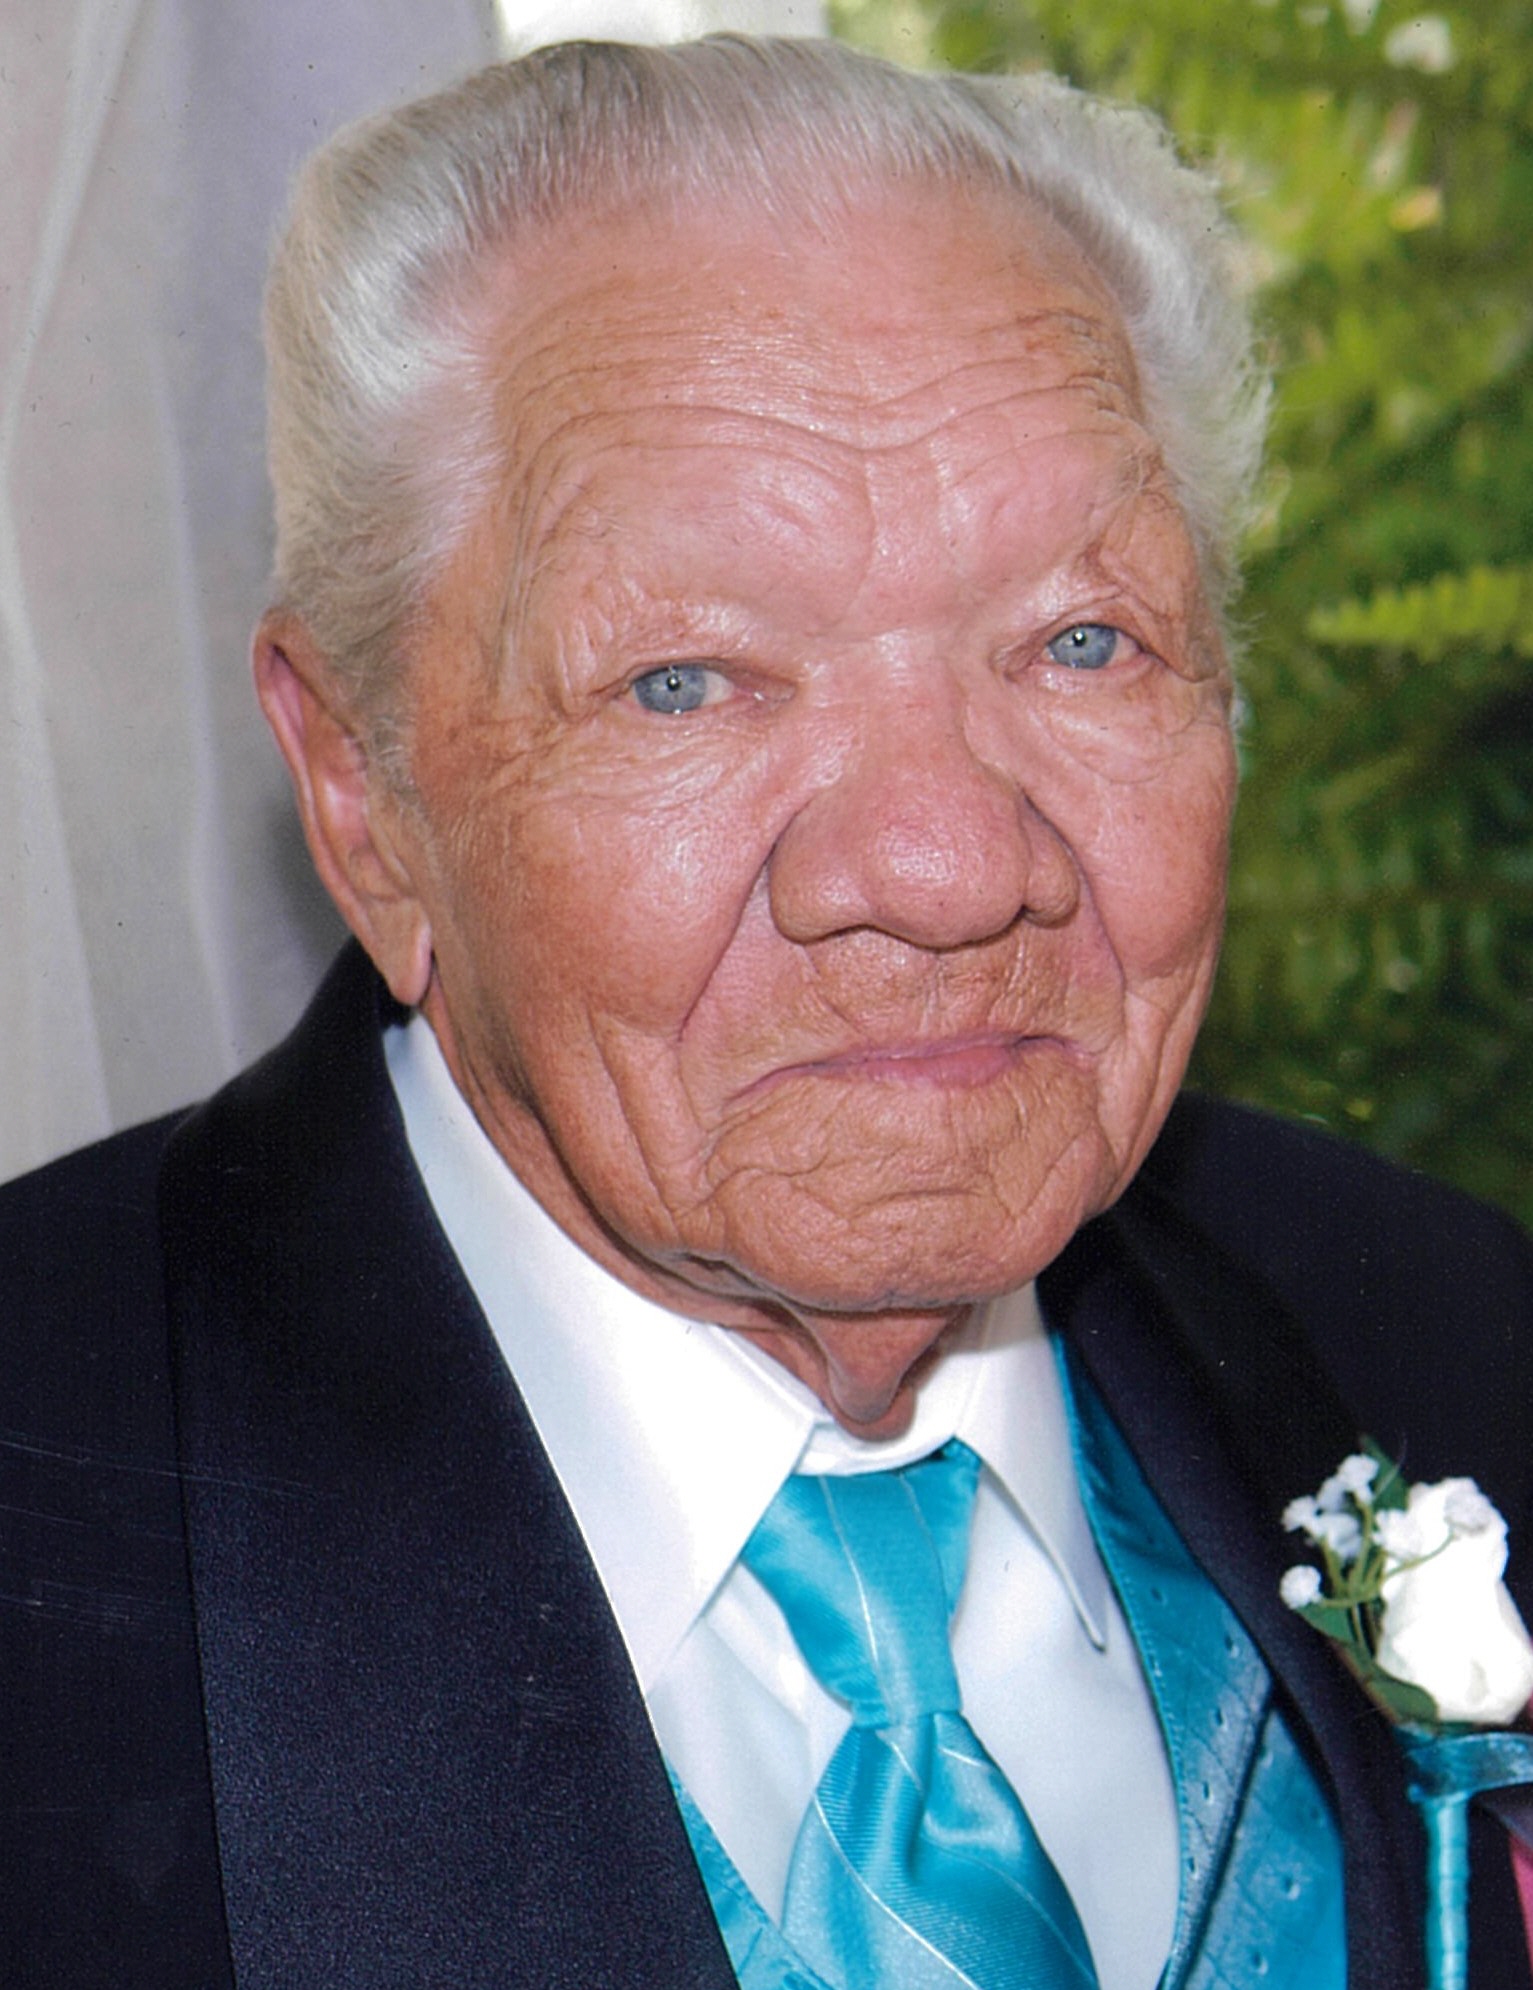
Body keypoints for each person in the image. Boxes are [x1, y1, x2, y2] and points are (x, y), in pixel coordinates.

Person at [4, 36, 1531, 1990]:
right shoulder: (51, 1513)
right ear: (365, 792)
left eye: (1082, 640)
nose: (946, 864)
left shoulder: (1448, 1327)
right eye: (688, 680)